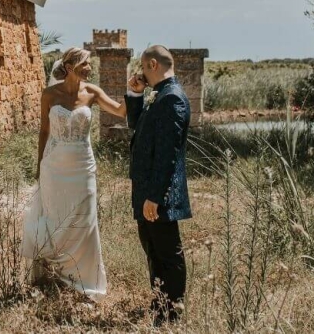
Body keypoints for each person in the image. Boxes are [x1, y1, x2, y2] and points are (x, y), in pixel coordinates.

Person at [21, 47, 127, 301]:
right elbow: (44, 131)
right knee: (56, 217)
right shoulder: (49, 94)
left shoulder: (92, 92)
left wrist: (134, 90)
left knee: (85, 220)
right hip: (54, 168)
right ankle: (55, 274)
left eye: (89, 63)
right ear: (69, 67)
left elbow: (120, 111)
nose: (90, 68)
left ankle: (86, 279)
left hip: (83, 166)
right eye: (85, 64)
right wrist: (39, 165)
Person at [125, 45, 192, 324]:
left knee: (167, 254)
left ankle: (172, 314)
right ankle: (160, 307)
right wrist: (135, 95)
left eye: (143, 67)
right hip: (147, 191)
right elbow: (137, 127)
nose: (141, 72)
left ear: (153, 64)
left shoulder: (172, 97)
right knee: (153, 251)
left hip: (158, 193)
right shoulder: (160, 94)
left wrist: (154, 196)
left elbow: (167, 154)